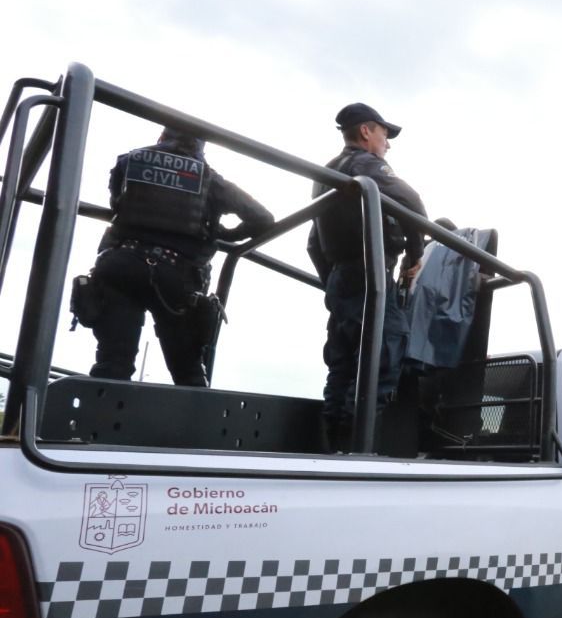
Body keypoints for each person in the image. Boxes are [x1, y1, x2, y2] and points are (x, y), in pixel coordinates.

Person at [87, 126, 274, 386]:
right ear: (201, 148)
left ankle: (95, 422)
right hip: (177, 277)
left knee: (111, 365)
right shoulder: (210, 179)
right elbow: (263, 219)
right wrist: (224, 235)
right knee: (188, 373)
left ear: (162, 137)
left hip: (120, 265)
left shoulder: (129, 161)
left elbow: (116, 203)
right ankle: (194, 424)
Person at [306, 102, 427, 450]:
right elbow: (413, 203)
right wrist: (415, 255)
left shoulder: (325, 174)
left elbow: (314, 244)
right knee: (384, 355)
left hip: (340, 280)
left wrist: (332, 280)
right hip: (368, 277)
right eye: (384, 134)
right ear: (366, 132)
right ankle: (356, 450)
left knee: (343, 366)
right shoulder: (365, 165)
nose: (387, 143)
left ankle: (330, 448)